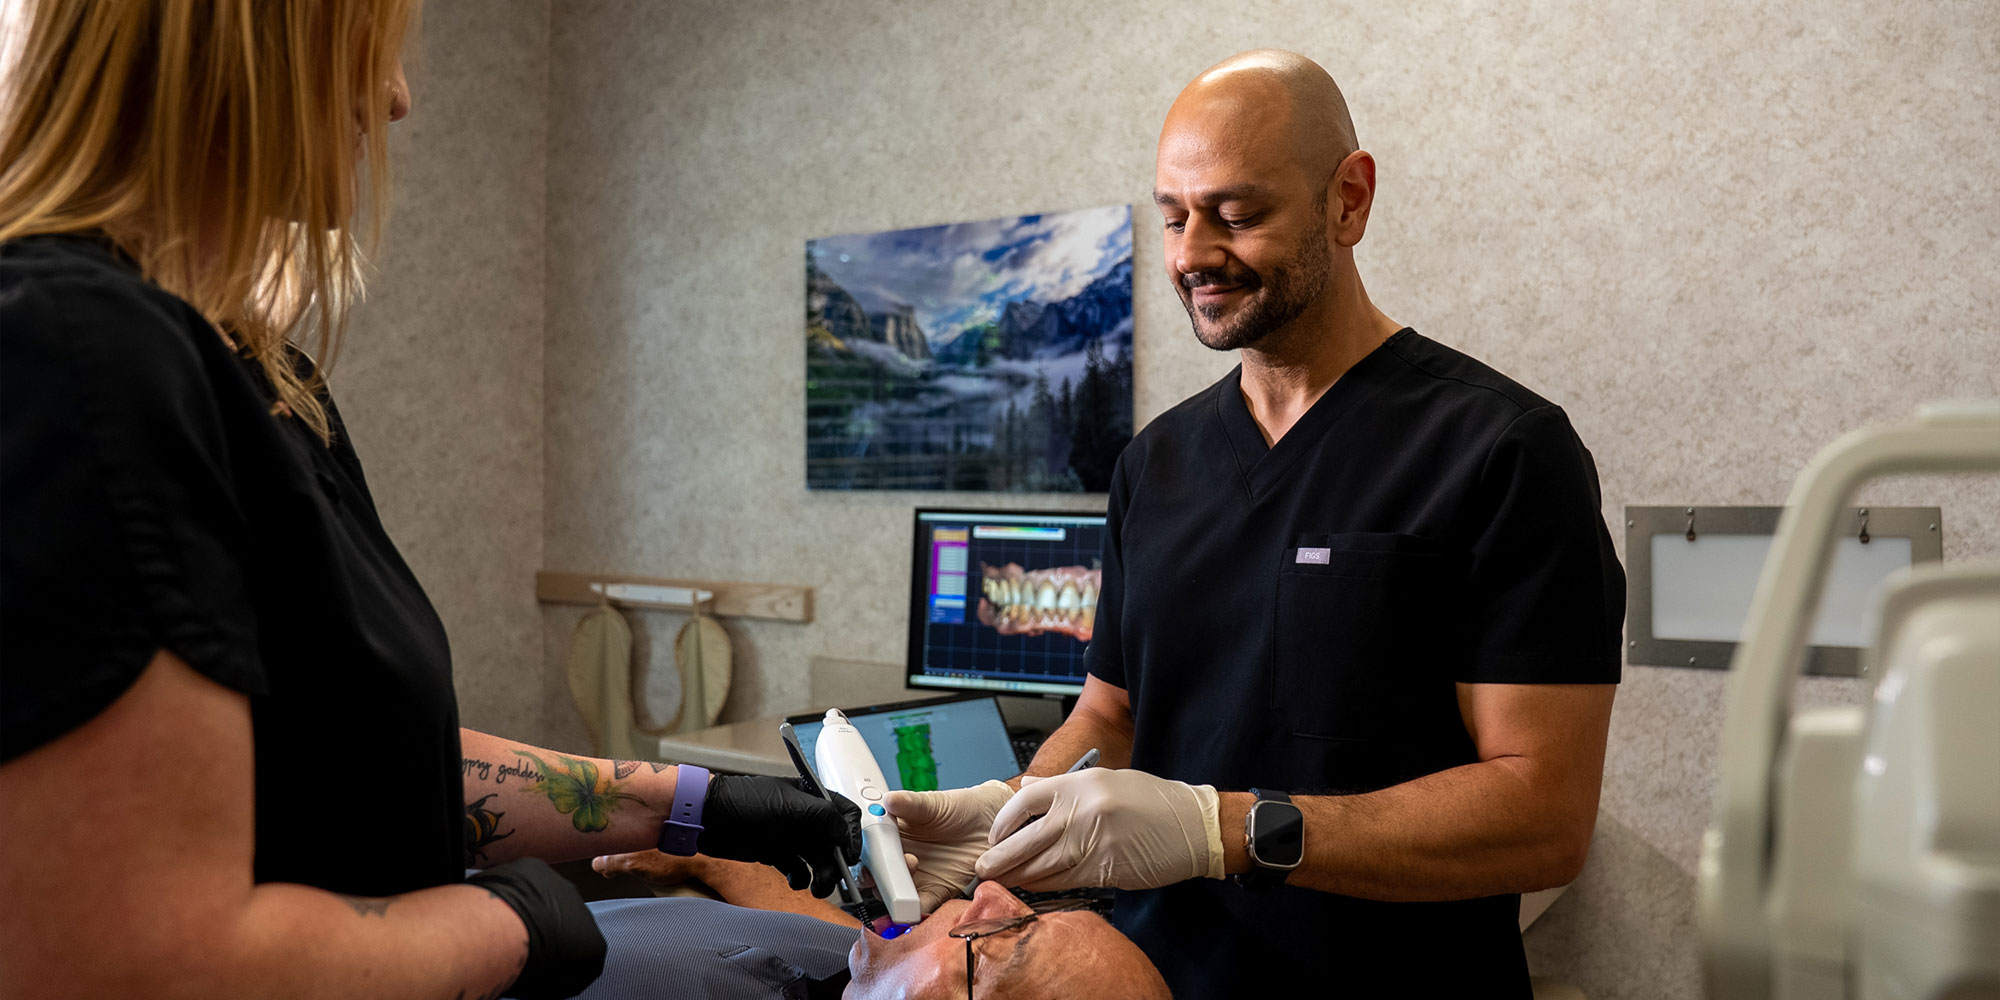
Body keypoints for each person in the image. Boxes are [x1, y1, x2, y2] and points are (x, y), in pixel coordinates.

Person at [0, 4, 855, 998]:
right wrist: (505, 925)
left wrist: (705, 804)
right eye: (374, 53)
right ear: (251, 46)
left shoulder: (265, 379)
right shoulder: (74, 352)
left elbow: (357, 766)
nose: (397, 99)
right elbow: (136, 964)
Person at [885, 50, 1625, 996]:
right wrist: (1018, 811)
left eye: (1237, 215)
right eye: (1172, 217)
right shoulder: (1155, 465)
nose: (1194, 252)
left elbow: (1544, 814)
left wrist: (1221, 831)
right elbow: (1113, 715)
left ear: (1348, 200)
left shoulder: (1501, 452)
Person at [583, 851, 1172, 1000]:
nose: (989, 890)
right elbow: (810, 922)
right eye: (1029, 913)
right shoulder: (866, 964)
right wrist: (702, 858)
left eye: (1011, 931)